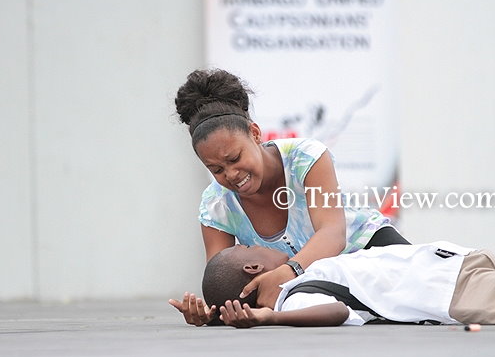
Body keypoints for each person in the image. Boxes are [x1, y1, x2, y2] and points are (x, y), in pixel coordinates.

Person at [169, 68, 410, 326]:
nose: (231, 174)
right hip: (320, 285)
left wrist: (289, 271)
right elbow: (223, 281)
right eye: (216, 170)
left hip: (369, 248)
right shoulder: (217, 205)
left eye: (235, 158)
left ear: (255, 133)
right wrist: (213, 313)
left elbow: (332, 233)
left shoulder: (304, 158)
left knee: (431, 292)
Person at [201, 244, 495, 328]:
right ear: (252, 267)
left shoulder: (301, 277)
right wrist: (271, 318)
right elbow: (337, 311)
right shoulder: (294, 299)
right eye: (247, 246)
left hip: (458, 264)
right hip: (455, 290)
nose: (255, 244)